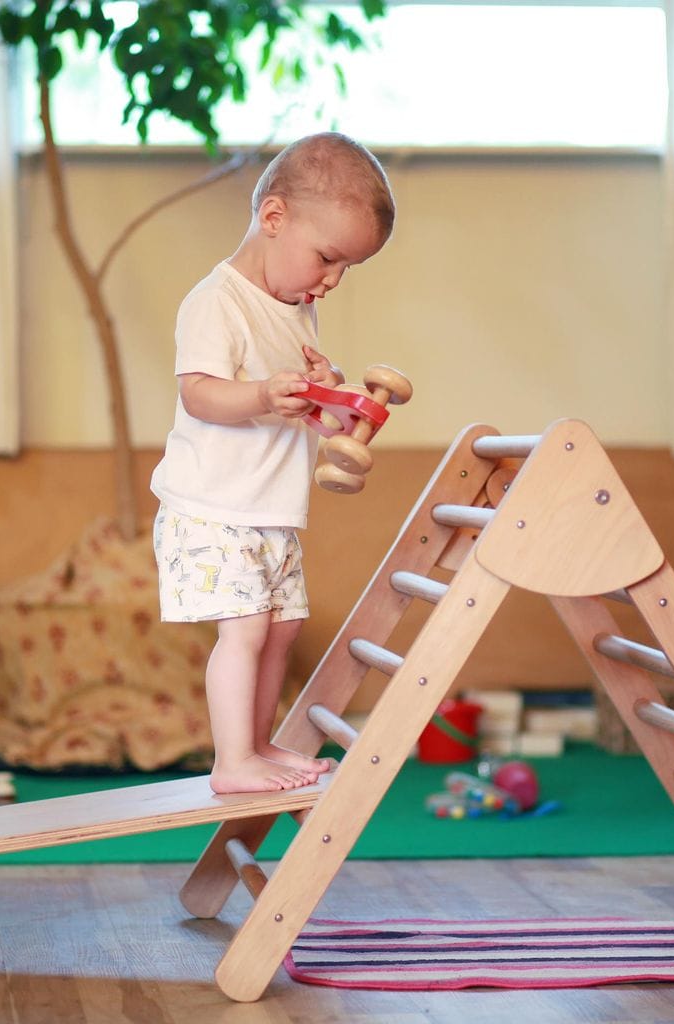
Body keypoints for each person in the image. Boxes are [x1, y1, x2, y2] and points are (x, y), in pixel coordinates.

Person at [151, 132, 395, 794]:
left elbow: (303, 417)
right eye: (327, 258)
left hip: (268, 511)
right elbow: (198, 394)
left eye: (348, 268)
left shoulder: (298, 311)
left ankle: (256, 744)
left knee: (283, 627)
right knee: (249, 628)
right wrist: (262, 394)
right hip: (212, 508)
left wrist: (334, 401)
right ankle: (232, 762)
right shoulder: (217, 300)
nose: (332, 279)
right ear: (274, 217)